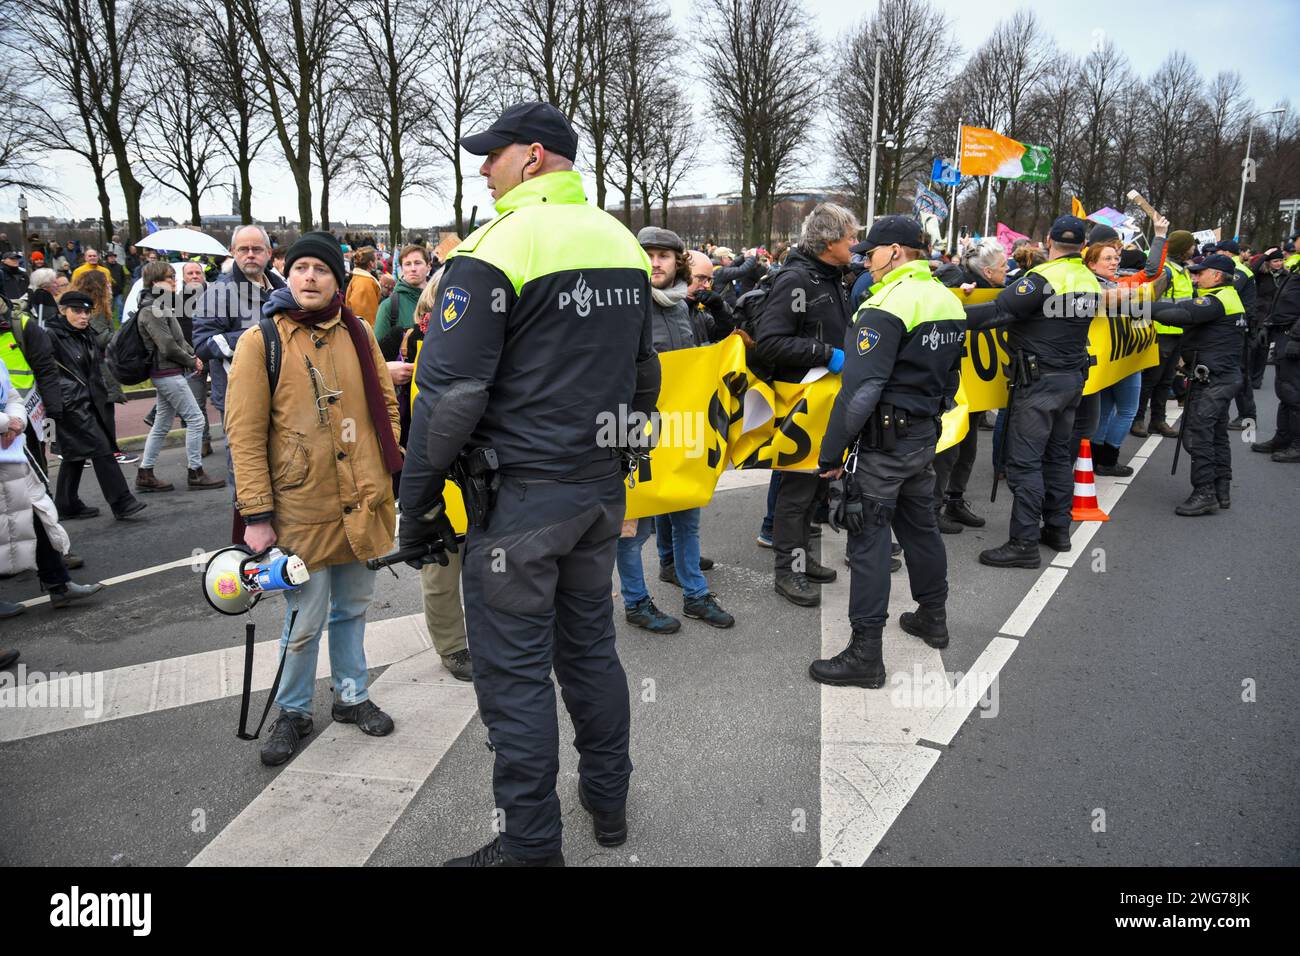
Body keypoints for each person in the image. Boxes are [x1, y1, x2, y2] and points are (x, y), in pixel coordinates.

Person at [399, 101, 660, 866]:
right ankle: (607, 801)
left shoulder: (494, 247)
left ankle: (530, 849)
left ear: (534, 157)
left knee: (514, 677)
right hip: (594, 493)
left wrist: (414, 508)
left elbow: (449, 398)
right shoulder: (622, 243)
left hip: (518, 502)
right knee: (589, 651)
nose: (482, 168)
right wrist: (621, 466)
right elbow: (644, 379)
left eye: (492, 154)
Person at [224, 231, 402, 768]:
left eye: (320, 270)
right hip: (301, 504)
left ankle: (351, 695)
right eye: (300, 267)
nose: (309, 277)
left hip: (363, 497)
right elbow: (244, 433)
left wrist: (385, 469)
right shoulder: (261, 341)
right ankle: (293, 710)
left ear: (336, 280)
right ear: (288, 274)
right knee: (304, 616)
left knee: (353, 608)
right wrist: (256, 514)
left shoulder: (359, 332)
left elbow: (386, 408)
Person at [810, 216, 966, 687]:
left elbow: (860, 391)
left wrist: (831, 453)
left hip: (882, 444)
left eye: (871, 253)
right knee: (921, 528)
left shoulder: (887, 304)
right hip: (922, 437)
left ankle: (865, 654)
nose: (866, 262)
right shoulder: (946, 299)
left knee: (868, 538)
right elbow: (951, 380)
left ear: (895, 251)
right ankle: (932, 616)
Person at [965, 215, 1100, 570]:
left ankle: (1023, 542)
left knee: (1024, 462)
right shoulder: (1089, 278)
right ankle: (1057, 529)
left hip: (1039, 383)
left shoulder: (1044, 278)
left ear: (1049, 241)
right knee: (1056, 458)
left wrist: (945, 314)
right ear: (1083, 245)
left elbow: (999, 311)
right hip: (1071, 380)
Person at [615, 226, 732, 633]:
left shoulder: (684, 306)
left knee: (687, 516)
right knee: (633, 528)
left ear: (677, 261)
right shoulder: (625, 305)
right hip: (636, 430)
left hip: (681, 428)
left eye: (664, 254)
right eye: (647, 254)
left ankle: (695, 596)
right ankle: (636, 601)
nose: (655, 262)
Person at [755, 202, 857, 608]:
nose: (856, 243)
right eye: (850, 237)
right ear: (829, 241)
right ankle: (788, 571)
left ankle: (802, 560)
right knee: (796, 494)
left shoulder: (830, 277)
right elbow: (771, 342)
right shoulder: (797, 279)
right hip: (801, 403)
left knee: (816, 488)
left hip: (825, 401)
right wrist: (827, 353)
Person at [1145, 254, 1248, 510]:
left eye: (1201, 273)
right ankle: (1221, 488)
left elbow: (1178, 314)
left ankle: (1204, 492)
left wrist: (1136, 306)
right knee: (1216, 435)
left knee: (1197, 434)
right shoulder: (1229, 297)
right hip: (1222, 376)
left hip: (1213, 380)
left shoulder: (1217, 300)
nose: (1195, 276)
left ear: (1217, 276)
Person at [0, 363, 102, 608]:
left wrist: (16, 421)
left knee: (35, 517)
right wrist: (6, 424)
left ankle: (59, 585)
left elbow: (12, 395)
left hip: (10, 456)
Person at [46, 291, 147, 521]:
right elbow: (48, 371)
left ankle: (66, 504)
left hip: (87, 402)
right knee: (102, 450)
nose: (83, 317)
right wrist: (68, 398)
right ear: (63, 311)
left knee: (75, 454)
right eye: (77, 311)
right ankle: (122, 502)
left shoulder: (84, 334)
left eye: (86, 312)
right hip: (69, 404)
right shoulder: (51, 335)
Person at [931, 237, 1005, 533]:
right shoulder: (955, 277)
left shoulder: (1001, 289)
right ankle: (932, 508)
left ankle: (955, 500)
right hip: (953, 384)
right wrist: (957, 294)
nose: (1007, 269)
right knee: (948, 448)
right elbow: (934, 293)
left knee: (968, 449)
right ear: (987, 272)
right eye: (1002, 266)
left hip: (977, 385)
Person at [133, 262, 225, 493]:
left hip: (168, 371)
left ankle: (146, 472)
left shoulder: (160, 305)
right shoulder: (152, 308)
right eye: (170, 277)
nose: (175, 281)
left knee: (162, 423)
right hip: (166, 372)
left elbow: (177, 338)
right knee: (196, 419)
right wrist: (191, 360)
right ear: (155, 282)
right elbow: (167, 346)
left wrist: (192, 355)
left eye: (174, 277)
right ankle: (195, 472)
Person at [1133, 230, 1196, 438]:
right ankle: (1138, 419)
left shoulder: (1182, 270)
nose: (1193, 249)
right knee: (1151, 379)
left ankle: (1158, 421)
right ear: (1182, 248)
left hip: (1177, 332)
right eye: (1190, 245)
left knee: (1166, 380)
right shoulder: (1166, 271)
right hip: (1161, 333)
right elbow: (1150, 300)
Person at [69, 269, 135, 465]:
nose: (110, 286)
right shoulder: (95, 310)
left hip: (94, 366)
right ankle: (110, 451)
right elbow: (99, 339)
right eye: (106, 284)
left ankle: (99, 451)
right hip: (98, 368)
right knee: (104, 410)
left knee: (99, 410)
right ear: (98, 287)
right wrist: (122, 331)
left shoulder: (90, 308)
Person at [1251, 241, 1300, 462]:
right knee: (1284, 389)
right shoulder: (1295, 265)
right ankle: (1283, 438)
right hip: (1283, 332)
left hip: (1294, 335)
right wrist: (1269, 326)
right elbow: (1283, 301)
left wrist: (1297, 337)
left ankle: (1297, 445)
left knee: (1294, 392)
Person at [373, 244, 430, 348]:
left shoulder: (441, 300)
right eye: (408, 264)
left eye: (418, 263)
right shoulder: (389, 306)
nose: (413, 268)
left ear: (428, 266)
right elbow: (377, 354)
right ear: (402, 269)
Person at [684, 249, 736, 345]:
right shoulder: (662, 313)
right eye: (701, 278)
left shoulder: (698, 313)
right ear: (681, 275)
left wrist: (719, 310)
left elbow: (724, 338)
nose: (707, 286)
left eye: (709, 280)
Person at [344, 246, 382, 326]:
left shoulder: (360, 278)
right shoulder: (364, 283)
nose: (377, 261)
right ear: (371, 263)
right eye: (375, 259)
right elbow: (366, 318)